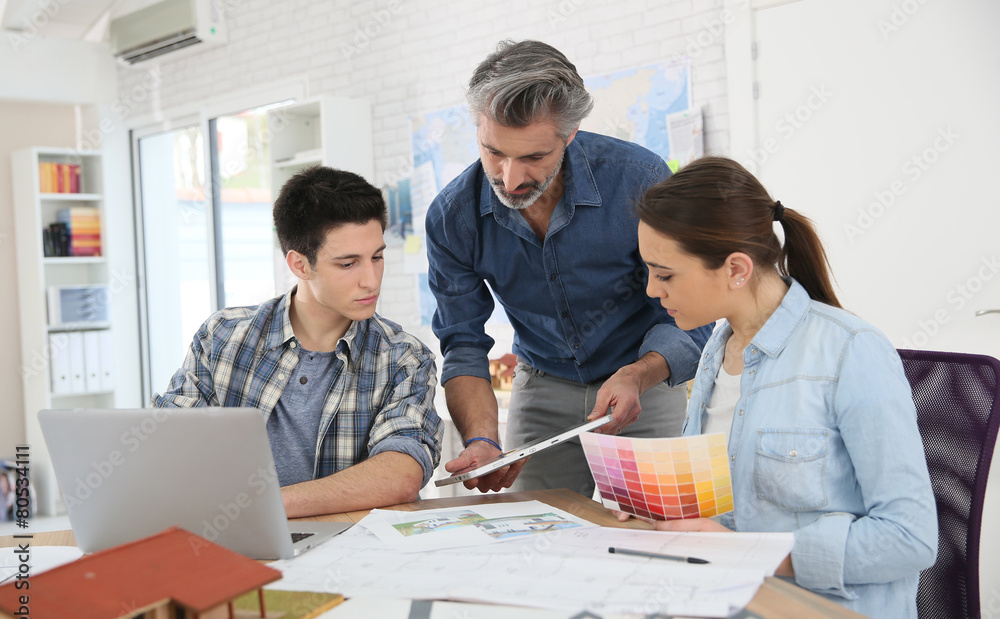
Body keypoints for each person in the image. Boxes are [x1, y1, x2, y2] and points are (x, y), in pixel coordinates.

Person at [632, 155, 937, 619]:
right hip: (732, 614)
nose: (652, 290)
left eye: (665, 274)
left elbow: (910, 538)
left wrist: (752, 553)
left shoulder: (851, 351)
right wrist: (656, 509)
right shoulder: (717, 350)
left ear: (736, 269)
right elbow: (725, 513)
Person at [426, 40, 712, 494]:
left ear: (571, 132)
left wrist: (639, 374)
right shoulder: (452, 217)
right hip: (542, 382)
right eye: (494, 152)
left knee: (655, 522)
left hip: (643, 379)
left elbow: (693, 308)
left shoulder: (639, 179)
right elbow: (462, 342)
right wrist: (481, 439)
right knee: (536, 523)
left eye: (533, 157)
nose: (510, 179)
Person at [154, 166, 442, 518]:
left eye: (377, 257)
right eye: (348, 264)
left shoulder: (404, 358)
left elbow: (401, 474)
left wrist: (262, 506)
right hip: (233, 539)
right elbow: (169, 447)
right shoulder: (222, 337)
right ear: (300, 265)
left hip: (351, 545)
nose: (371, 280)